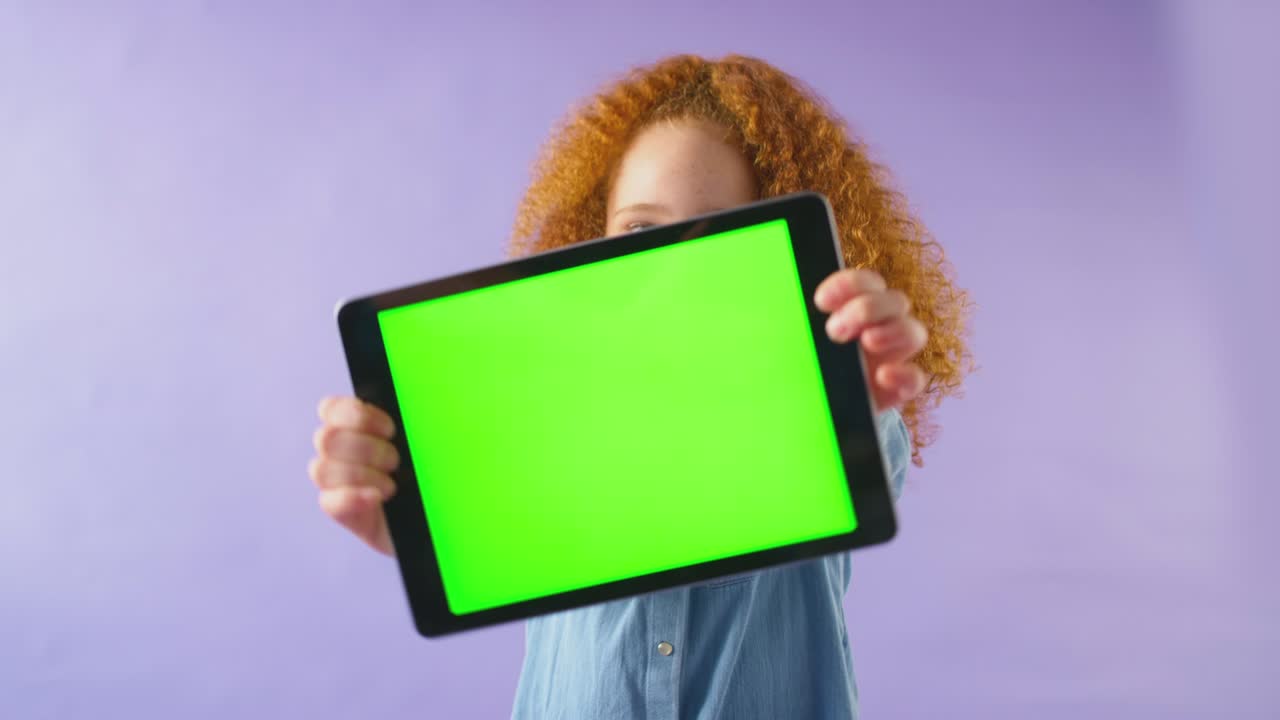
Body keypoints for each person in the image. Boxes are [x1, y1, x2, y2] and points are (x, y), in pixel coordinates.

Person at [308, 54, 971, 719]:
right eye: (640, 229)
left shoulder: (815, 426)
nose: (669, 270)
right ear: (591, 236)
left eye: (721, 236)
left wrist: (850, 399)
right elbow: (487, 527)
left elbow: (871, 458)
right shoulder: (545, 423)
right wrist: (417, 523)